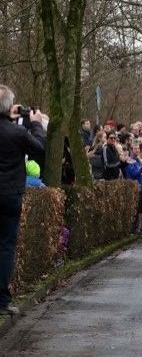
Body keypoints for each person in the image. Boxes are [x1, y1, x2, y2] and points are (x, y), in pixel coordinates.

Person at [0, 85, 47, 316]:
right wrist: (36, 124)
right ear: (9, 106)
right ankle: (2, 300)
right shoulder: (17, 133)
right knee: (6, 246)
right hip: (9, 194)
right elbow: (39, 148)